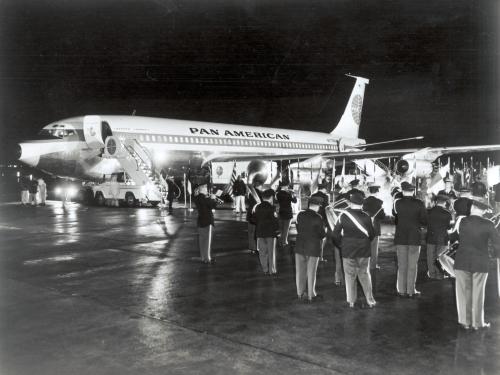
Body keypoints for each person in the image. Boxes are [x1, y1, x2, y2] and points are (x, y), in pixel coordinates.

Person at [454, 200, 500, 330]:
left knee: (463, 292)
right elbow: (497, 244)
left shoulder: (462, 221)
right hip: (480, 262)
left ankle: (464, 321)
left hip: (462, 261)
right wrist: (495, 255)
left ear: (472, 208)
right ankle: (477, 323)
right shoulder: (489, 224)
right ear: (484, 211)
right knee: (478, 292)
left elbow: (454, 237)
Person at [333, 191, 376, 308]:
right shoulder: (367, 217)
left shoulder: (343, 216)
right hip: (363, 250)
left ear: (350, 203)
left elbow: (335, 234)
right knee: (365, 274)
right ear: (361, 204)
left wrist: (341, 245)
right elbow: (372, 234)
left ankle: (351, 301)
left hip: (348, 250)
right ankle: (370, 300)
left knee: (350, 275)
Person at [392, 181, 427, 298]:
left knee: (402, 265)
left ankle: (401, 290)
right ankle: (411, 291)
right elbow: (424, 220)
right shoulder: (419, 203)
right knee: (412, 265)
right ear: (413, 191)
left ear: (402, 191)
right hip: (414, 237)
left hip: (401, 237)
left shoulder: (397, 203)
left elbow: (395, 216)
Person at [294, 196, 326, 302]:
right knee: (311, 271)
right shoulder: (318, 217)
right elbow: (321, 234)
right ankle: (311, 295)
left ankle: (300, 293)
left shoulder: (300, 214)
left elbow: (298, 228)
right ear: (317, 206)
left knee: (300, 271)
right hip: (312, 248)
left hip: (299, 247)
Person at [426, 194, 452, 279]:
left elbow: (425, 223)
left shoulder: (428, 211)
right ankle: (440, 274)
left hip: (431, 236)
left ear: (436, 202)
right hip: (442, 238)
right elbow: (449, 228)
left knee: (430, 256)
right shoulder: (447, 213)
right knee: (440, 256)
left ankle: (432, 273)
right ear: (444, 203)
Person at [254, 189, 280, 275]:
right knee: (271, 252)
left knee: (262, 252)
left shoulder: (257, 207)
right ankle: (271, 270)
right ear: (271, 198)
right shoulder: (272, 208)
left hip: (260, 233)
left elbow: (253, 219)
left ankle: (265, 269)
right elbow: (275, 221)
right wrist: (277, 230)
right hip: (270, 233)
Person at [362, 185, 386, 270]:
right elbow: (382, 216)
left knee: (365, 247)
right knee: (374, 248)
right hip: (375, 227)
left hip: (365, 227)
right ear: (377, 192)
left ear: (369, 191)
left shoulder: (364, 201)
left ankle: (364, 265)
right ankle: (373, 265)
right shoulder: (379, 202)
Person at [193, 183, 218, 264]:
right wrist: (213, 198)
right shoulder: (204, 198)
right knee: (207, 241)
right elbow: (213, 205)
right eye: (206, 188)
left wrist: (209, 197)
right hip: (207, 221)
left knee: (202, 240)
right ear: (202, 189)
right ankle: (208, 259)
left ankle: (203, 257)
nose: (207, 189)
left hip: (201, 221)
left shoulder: (197, 197)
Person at [311, 183, 330, 262]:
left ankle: (314, 256)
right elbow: (326, 209)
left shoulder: (313, 195)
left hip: (312, 218)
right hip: (322, 220)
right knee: (323, 238)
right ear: (324, 189)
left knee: (314, 237)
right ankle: (320, 257)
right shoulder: (325, 197)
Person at [275, 183, 297, 248]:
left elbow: (276, 201)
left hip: (281, 212)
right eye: (287, 186)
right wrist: (293, 194)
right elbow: (294, 201)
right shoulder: (288, 194)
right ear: (285, 186)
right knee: (286, 228)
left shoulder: (278, 193)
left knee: (281, 228)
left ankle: (281, 241)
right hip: (288, 213)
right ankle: (284, 242)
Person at [246, 183, 263, 254]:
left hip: (250, 214)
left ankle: (252, 248)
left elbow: (248, 202)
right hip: (257, 215)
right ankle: (257, 248)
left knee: (251, 232)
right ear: (259, 185)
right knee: (257, 232)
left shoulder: (250, 193)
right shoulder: (260, 193)